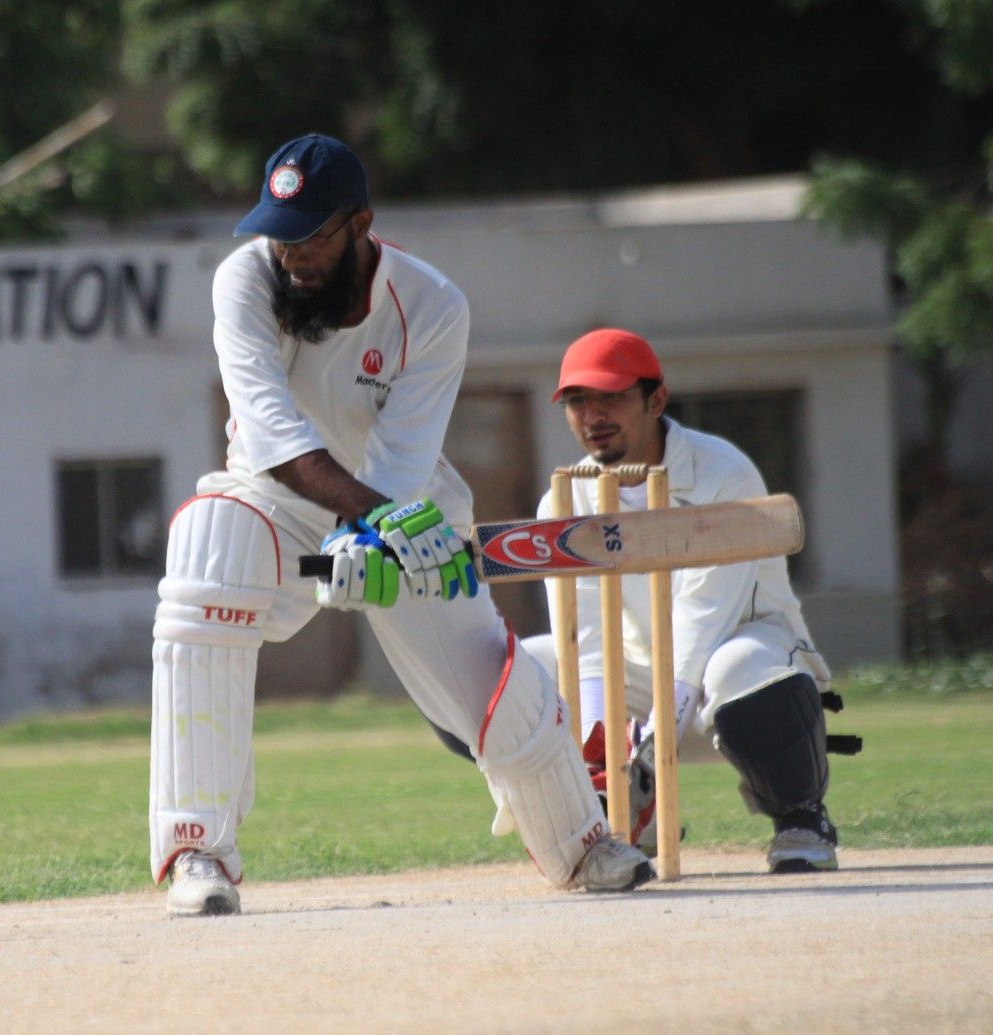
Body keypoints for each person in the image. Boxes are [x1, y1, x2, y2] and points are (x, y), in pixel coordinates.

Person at [148, 134, 653, 917]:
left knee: (488, 671)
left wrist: (376, 531)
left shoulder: (433, 306)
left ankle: (584, 840)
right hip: (274, 498)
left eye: (310, 237)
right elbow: (271, 431)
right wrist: (363, 520)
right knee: (208, 545)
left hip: (402, 500)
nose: (291, 256)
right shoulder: (245, 278)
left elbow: (401, 461)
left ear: (360, 223)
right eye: (279, 235)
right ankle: (197, 849)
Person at [520, 327, 846, 873]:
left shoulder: (723, 473)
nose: (593, 414)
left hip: (737, 668)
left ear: (656, 400)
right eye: (577, 400)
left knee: (736, 664)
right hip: (637, 675)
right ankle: (625, 815)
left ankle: (801, 817)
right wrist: (603, 756)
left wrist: (652, 745)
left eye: (611, 396)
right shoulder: (563, 497)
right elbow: (585, 640)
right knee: (513, 672)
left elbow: (702, 620)